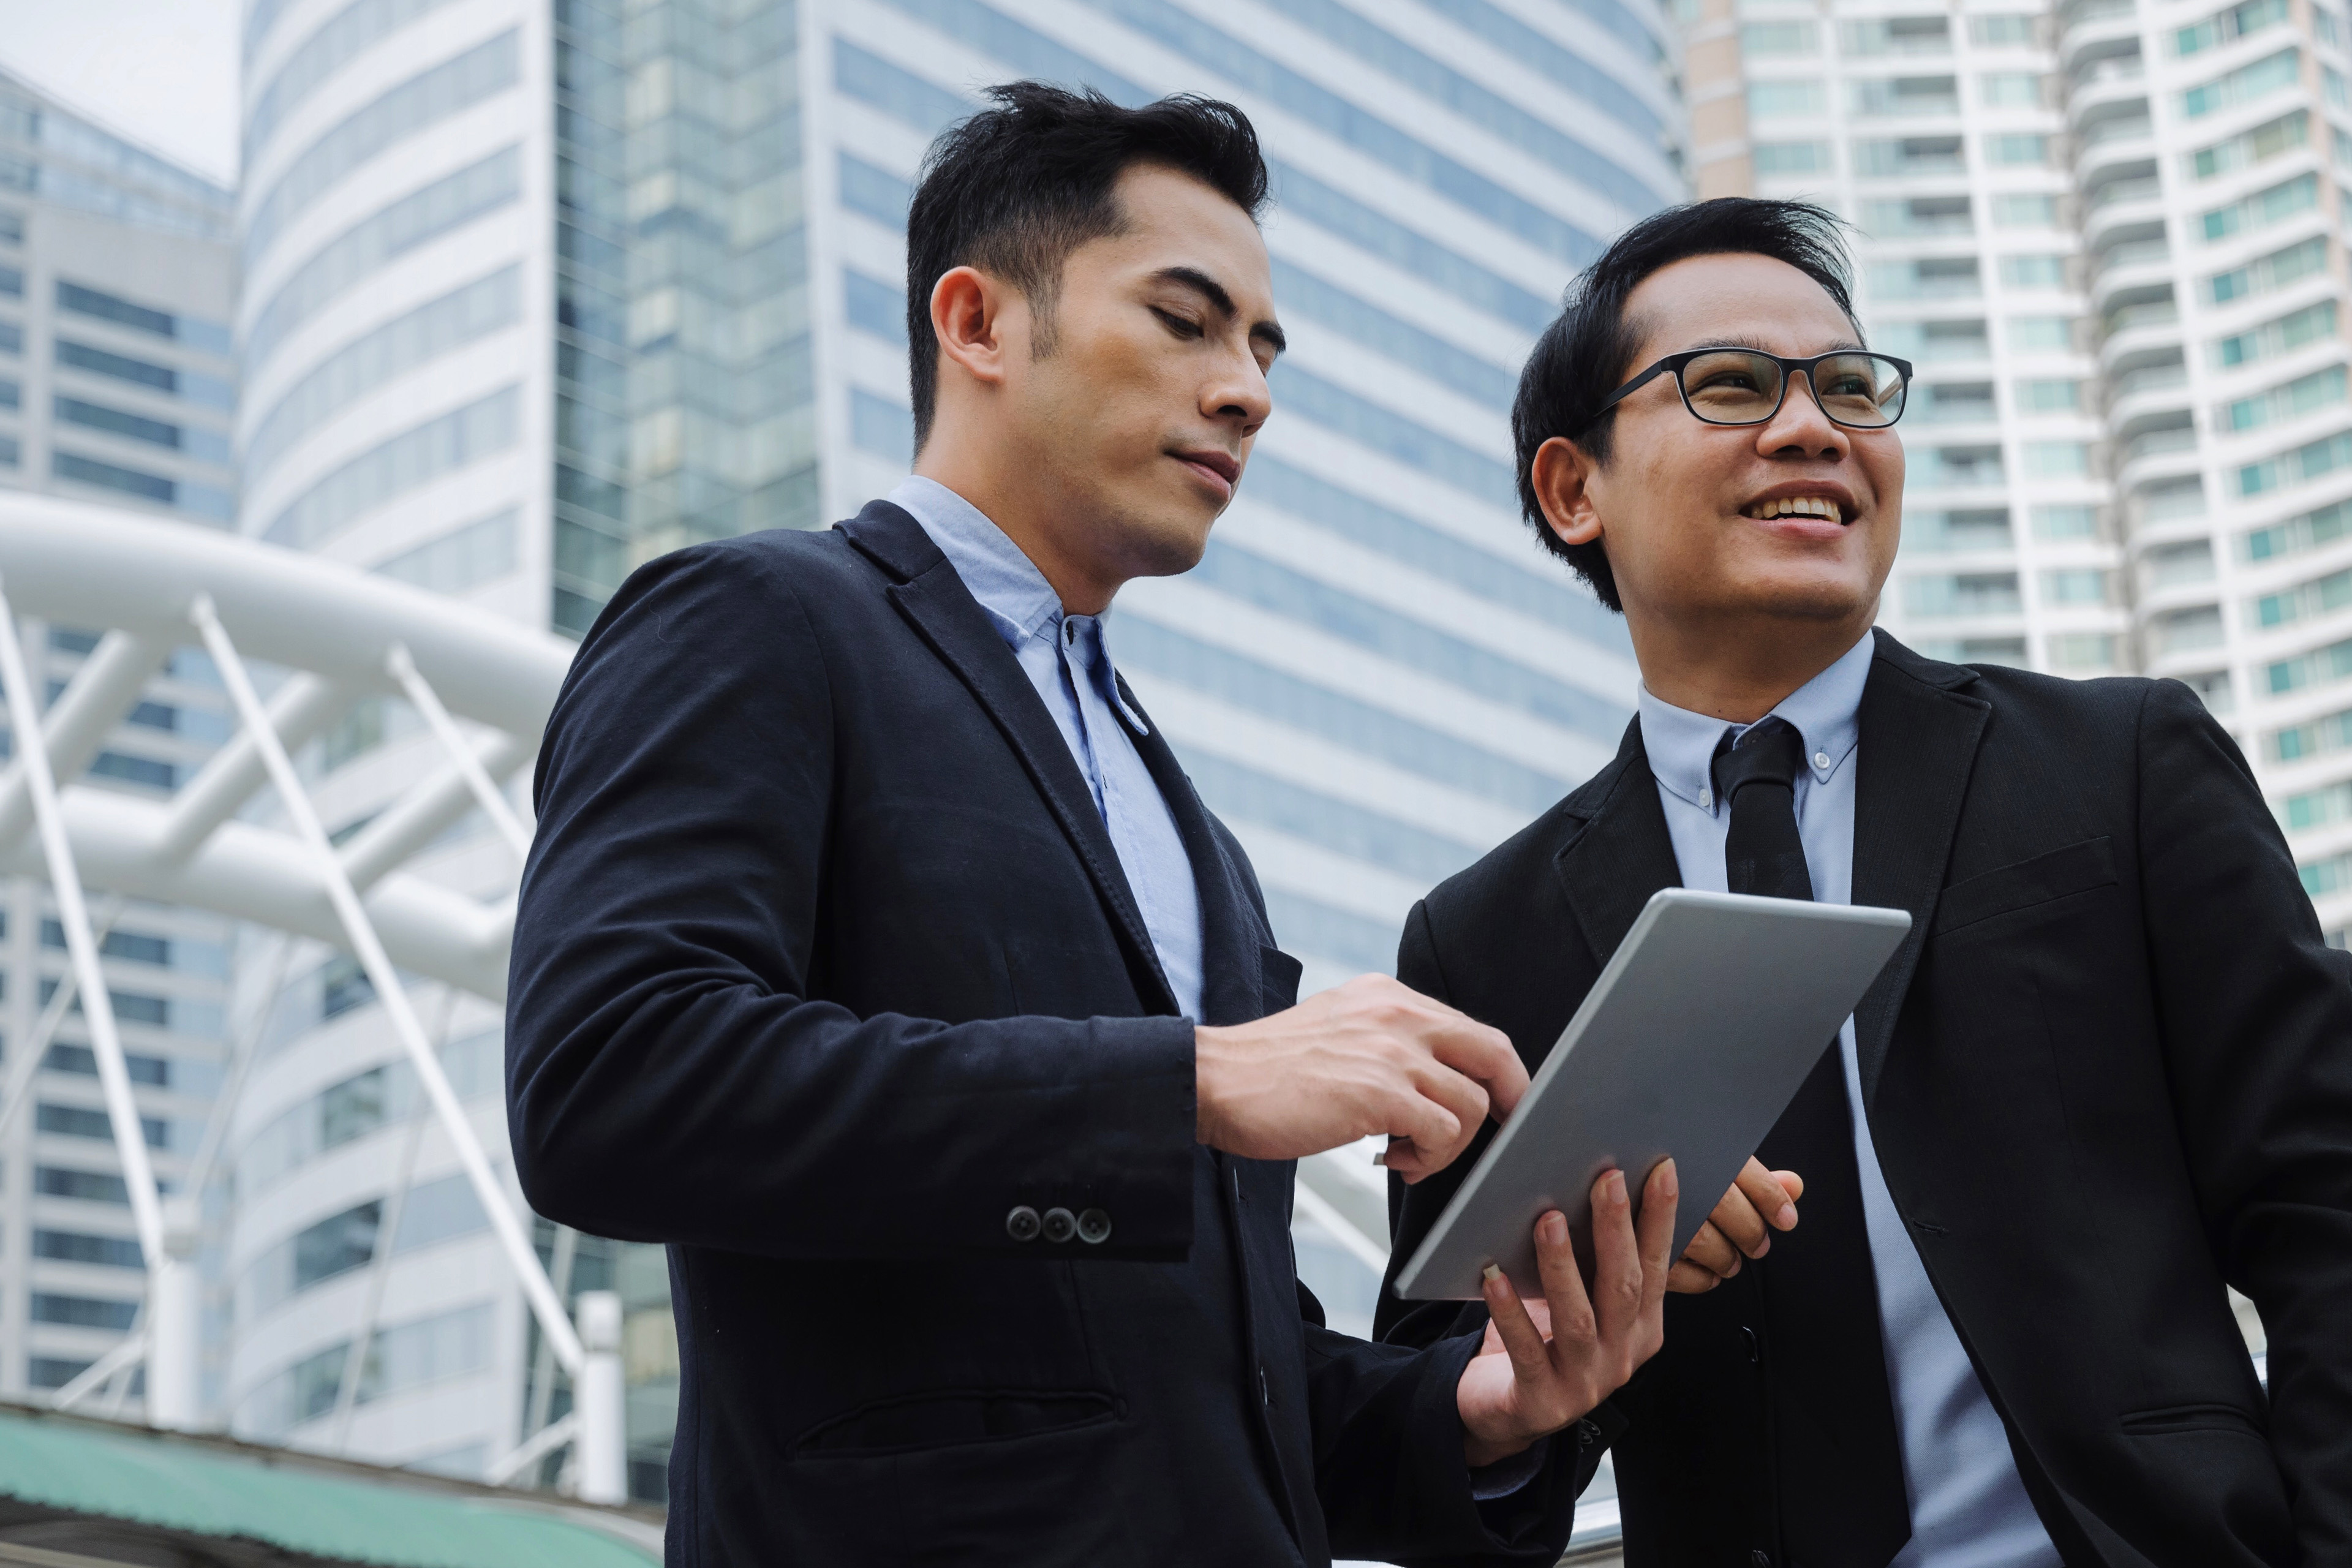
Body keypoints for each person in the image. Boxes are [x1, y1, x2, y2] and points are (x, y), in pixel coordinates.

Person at [507, 85, 1796, 1566]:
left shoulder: (1190, 835)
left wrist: (1485, 1410)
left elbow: (1222, 1391)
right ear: (979, 323)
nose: (1246, 388)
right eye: (1187, 321)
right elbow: (609, 1080)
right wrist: (1191, 1078)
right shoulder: (760, 619)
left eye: (1262, 347)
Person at [1376, 195, 2352, 1568]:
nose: (1812, 426)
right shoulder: (1483, 940)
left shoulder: (2120, 767)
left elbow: (2329, 1203)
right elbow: (1448, 1442)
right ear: (1572, 488)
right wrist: (1552, 1326)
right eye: (1729, 385)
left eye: (1849, 386)